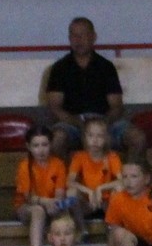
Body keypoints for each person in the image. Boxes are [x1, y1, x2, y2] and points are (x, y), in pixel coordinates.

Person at [44, 17, 136, 158]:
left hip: (105, 122)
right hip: (71, 125)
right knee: (56, 139)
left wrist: (101, 124)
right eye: (74, 36)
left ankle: (132, 173)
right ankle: (67, 173)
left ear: (94, 37)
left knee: (137, 137)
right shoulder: (59, 68)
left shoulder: (106, 67)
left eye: (83, 35)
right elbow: (54, 107)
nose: (78, 40)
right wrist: (78, 123)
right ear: (69, 39)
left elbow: (117, 106)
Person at [12, 124, 72, 246]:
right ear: (29, 147)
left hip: (51, 204)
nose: (41, 150)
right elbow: (27, 197)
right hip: (26, 207)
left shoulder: (58, 164)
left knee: (65, 210)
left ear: (50, 145)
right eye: (36, 145)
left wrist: (55, 204)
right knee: (38, 210)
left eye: (44, 145)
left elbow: (59, 194)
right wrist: (46, 202)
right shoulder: (25, 166)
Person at [68, 115, 123, 246]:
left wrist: (100, 188)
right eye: (91, 136)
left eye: (100, 136)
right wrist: (89, 191)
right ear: (85, 138)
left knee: (118, 190)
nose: (95, 140)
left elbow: (122, 180)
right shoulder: (79, 156)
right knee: (71, 193)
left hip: (105, 201)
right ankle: (82, 228)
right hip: (87, 203)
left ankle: (110, 227)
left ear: (106, 139)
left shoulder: (111, 157)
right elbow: (70, 182)